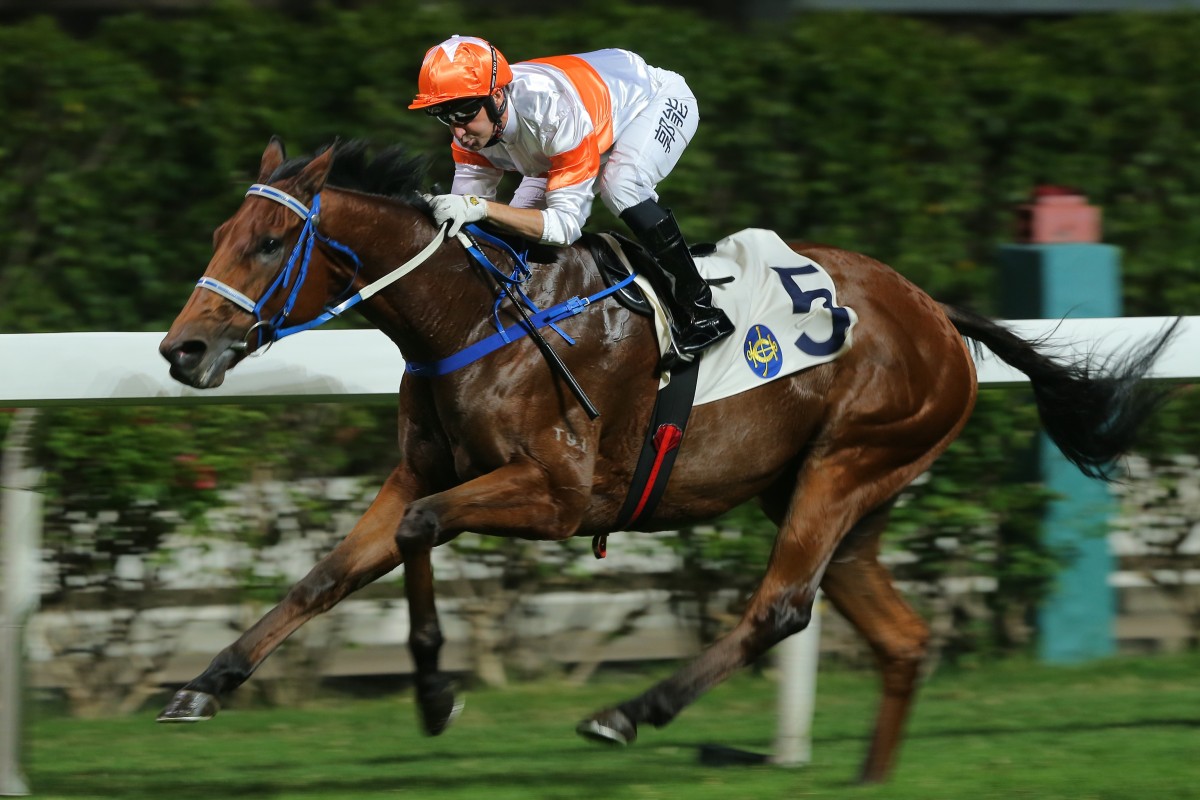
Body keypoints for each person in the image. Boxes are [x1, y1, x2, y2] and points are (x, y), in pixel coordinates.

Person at [409, 35, 734, 357]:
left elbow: (564, 228)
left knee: (620, 185)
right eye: (445, 115)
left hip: (653, 100)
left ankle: (703, 311)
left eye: (463, 113)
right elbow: (470, 229)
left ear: (496, 96)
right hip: (574, 134)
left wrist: (479, 207)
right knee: (510, 232)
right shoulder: (472, 136)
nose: (458, 131)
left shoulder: (552, 111)